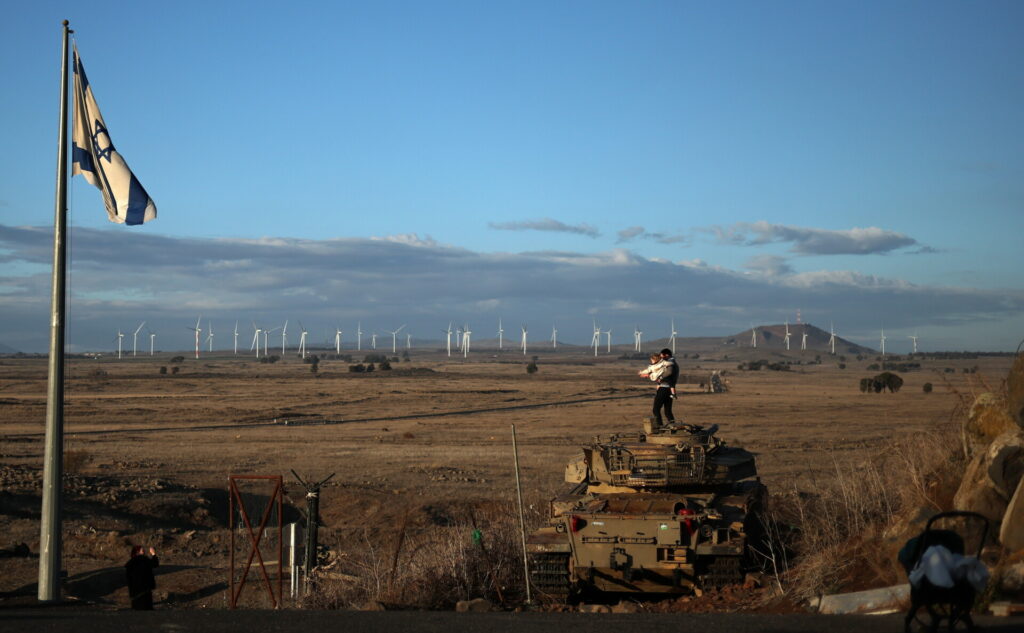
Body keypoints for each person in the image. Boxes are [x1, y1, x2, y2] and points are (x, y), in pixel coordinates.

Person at [648, 348, 678, 426]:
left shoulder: (670, 362)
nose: (661, 358)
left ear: (666, 355)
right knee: (667, 411)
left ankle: (660, 427)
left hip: (664, 388)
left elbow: (669, 372)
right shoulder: (674, 362)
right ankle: (673, 427)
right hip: (670, 389)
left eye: (662, 356)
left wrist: (660, 377)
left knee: (656, 409)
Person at [125, 545, 159, 610]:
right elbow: (155, 564)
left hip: (135, 591)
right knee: (147, 609)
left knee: (137, 610)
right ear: (137, 552)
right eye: (143, 551)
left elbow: (128, 579)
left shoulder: (130, 563)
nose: (144, 552)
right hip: (145, 589)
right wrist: (153, 554)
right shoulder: (144, 560)